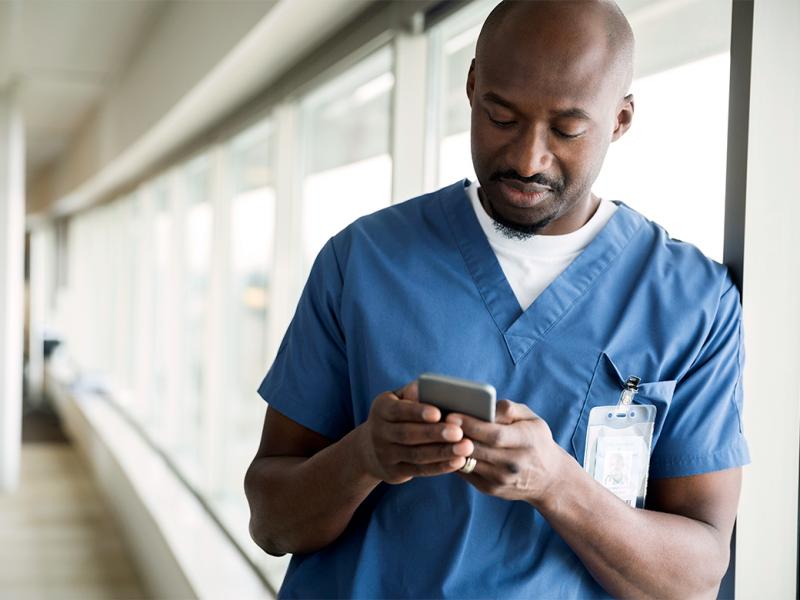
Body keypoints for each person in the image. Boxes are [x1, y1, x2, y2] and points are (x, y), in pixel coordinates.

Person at [244, 0, 749, 597]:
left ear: (620, 119)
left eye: (567, 129)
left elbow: (694, 578)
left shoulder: (692, 299)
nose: (527, 158)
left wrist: (557, 484)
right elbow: (272, 523)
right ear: (472, 85)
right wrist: (365, 456)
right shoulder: (362, 261)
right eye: (502, 117)